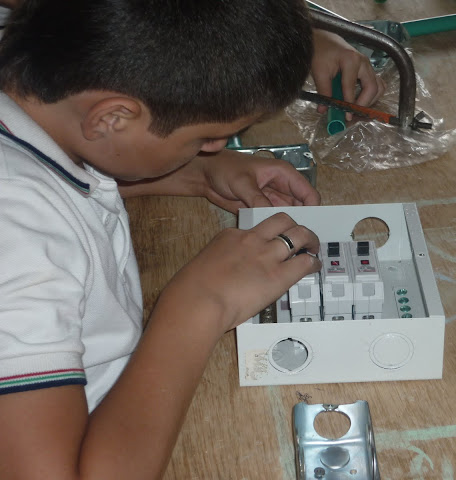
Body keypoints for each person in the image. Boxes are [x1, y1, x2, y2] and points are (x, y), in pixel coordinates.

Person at [0, 1, 384, 479]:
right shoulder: (17, 232)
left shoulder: (29, 110)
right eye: (207, 138)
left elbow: (61, 178)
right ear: (113, 118)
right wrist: (197, 306)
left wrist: (198, 173)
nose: (216, 147)